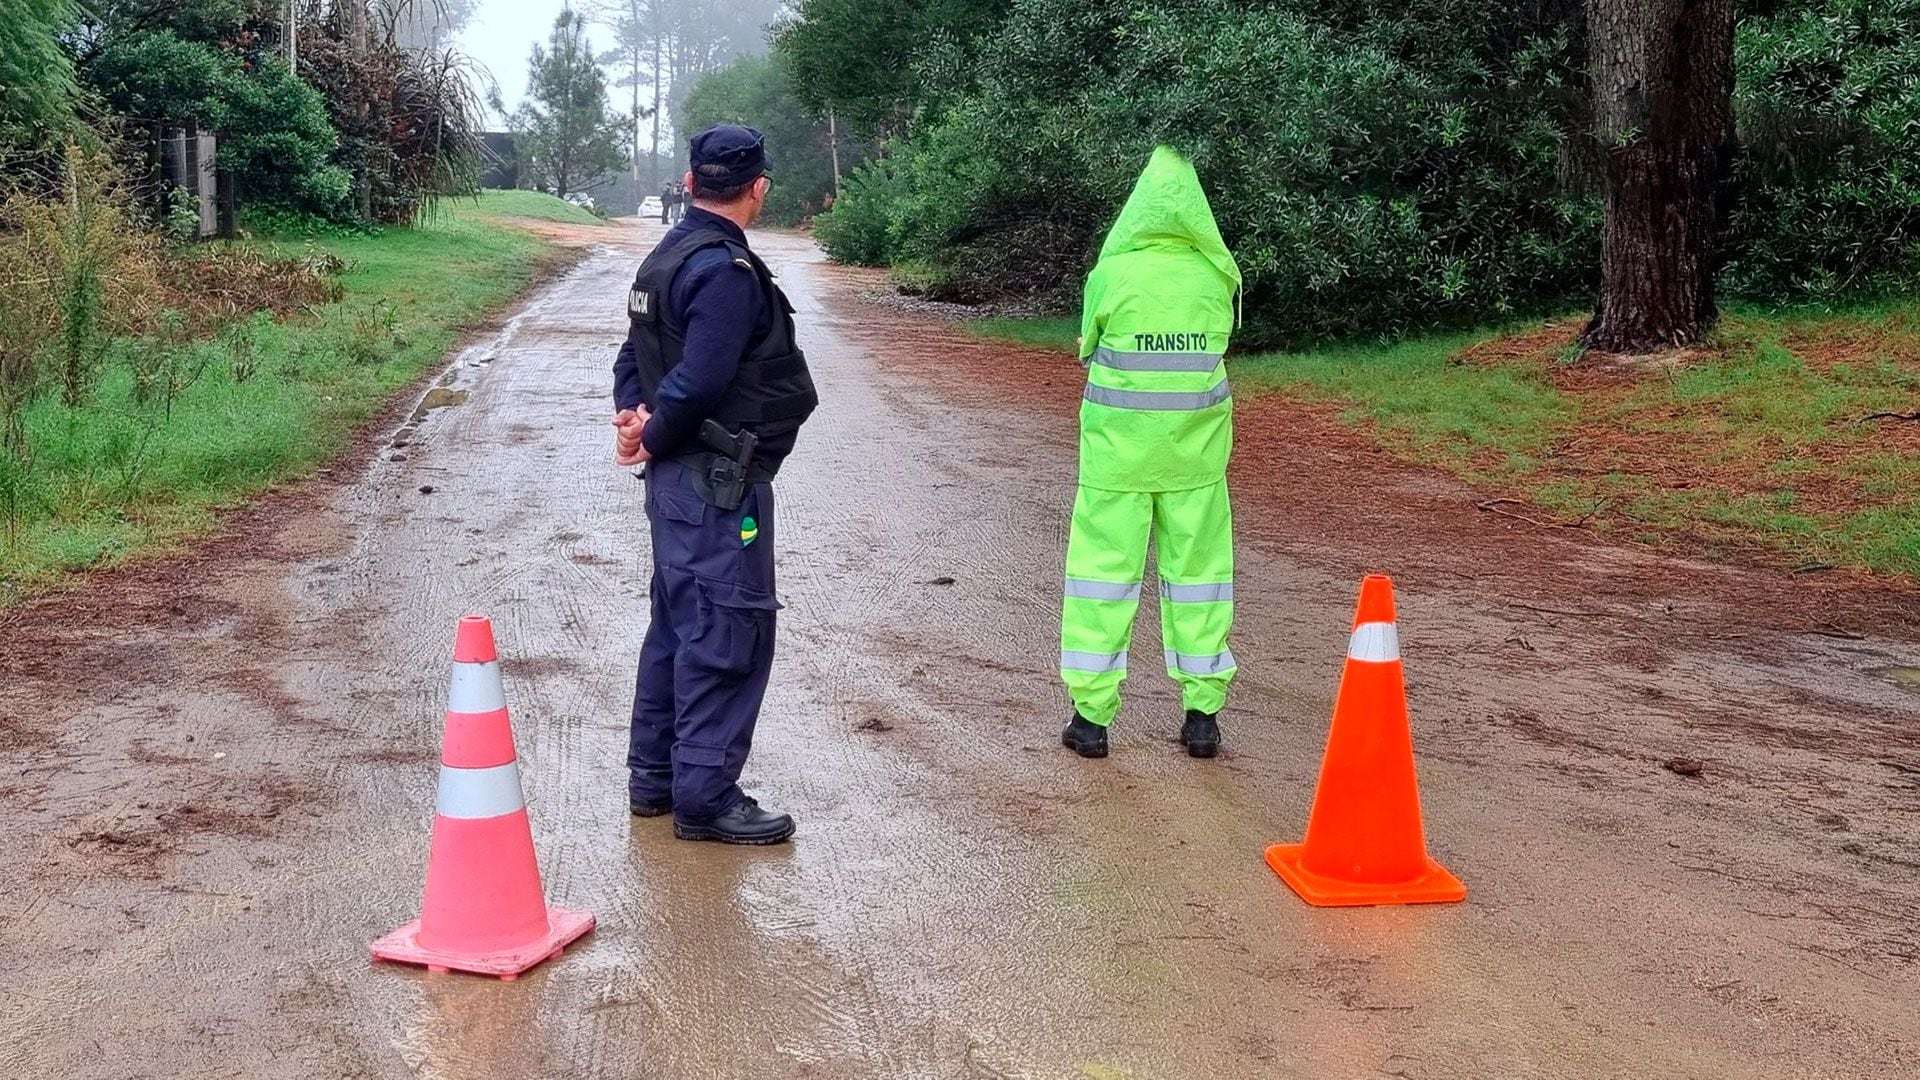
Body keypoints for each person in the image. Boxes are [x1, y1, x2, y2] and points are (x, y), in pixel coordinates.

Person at [611, 125, 818, 844]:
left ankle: (656, 782)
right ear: (758, 187)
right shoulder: (725, 271)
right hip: (715, 482)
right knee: (725, 629)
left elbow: (632, 356)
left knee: (676, 622)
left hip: (678, 480)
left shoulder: (667, 255)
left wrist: (634, 419)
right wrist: (653, 432)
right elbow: (698, 380)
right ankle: (704, 799)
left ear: (691, 181)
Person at [1058, 146, 1242, 761]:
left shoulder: (1112, 274)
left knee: (1101, 581)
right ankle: (1202, 718)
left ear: (1136, 209)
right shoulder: (1218, 275)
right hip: (1196, 462)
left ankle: (1091, 720)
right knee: (1200, 582)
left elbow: (1088, 347)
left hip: (1117, 460)